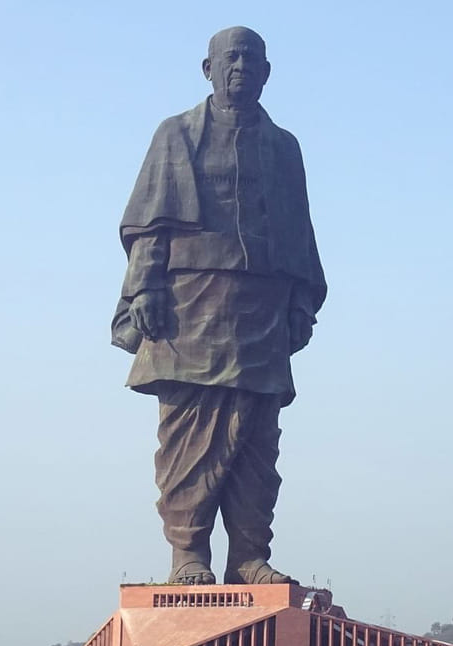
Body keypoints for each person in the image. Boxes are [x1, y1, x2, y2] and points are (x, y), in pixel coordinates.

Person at [111, 26, 326, 585]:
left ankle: (249, 555)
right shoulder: (176, 134)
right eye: (230, 59)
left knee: (257, 437)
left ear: (266, 73)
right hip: (190, 307)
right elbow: (150, 224)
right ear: (208, 69)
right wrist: (145, 288)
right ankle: (188, 553)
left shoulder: (284, 148)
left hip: (261, 308)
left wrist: (300, 302)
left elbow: (299, 233)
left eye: (251, 60)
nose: (240, 68)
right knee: (189, 433)